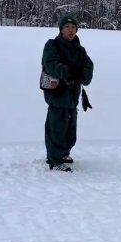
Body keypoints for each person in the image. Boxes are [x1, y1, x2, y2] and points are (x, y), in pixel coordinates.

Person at [41, 13, 94, 171]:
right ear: (61, 29)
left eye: (73, 27)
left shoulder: (80, 49)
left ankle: (63, 153)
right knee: (56, 126)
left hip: (72, 95)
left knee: (70, 128)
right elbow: (51, 64)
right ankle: (54, 160)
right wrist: (70, 71)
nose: (71, 30)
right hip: (57, 93)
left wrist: (83, 74)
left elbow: (88, 65)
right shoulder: (52, 45)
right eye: (67, 27)